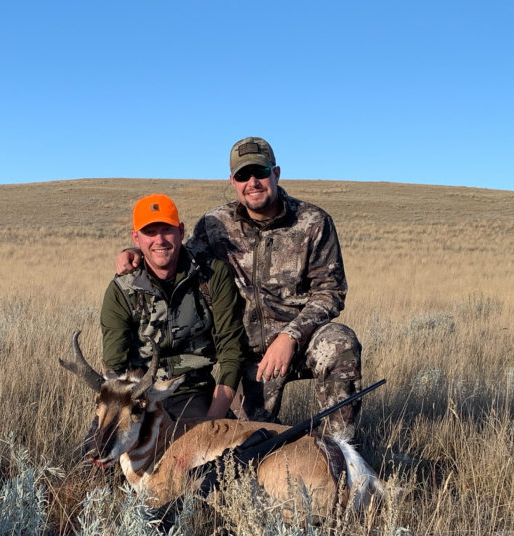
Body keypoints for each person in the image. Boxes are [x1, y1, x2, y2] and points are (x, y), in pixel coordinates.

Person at [116, 138, 362, 439]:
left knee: (340, 343)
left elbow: (330, 292)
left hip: (298, 342)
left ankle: (340, 449)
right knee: (241, 443)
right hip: (244, 356)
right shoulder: (215, 224)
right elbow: (179, 259)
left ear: (277, 173)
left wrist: (291, 336)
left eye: (260, 171)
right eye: (243, 175)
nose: (253, 182)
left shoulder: (313, 222)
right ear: (232, 181)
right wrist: (137, 252)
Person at [100, 193, 246, 422]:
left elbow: (231, 351)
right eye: (149, 232)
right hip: (136, 398)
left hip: (192, 393)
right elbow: (114, 366)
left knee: (197, 455)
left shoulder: (212, 276)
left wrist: (212, 422)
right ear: (135, 238)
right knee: (93, 454)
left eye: (166, 230)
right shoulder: (121, 289)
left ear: (180, 231)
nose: (159, 240)